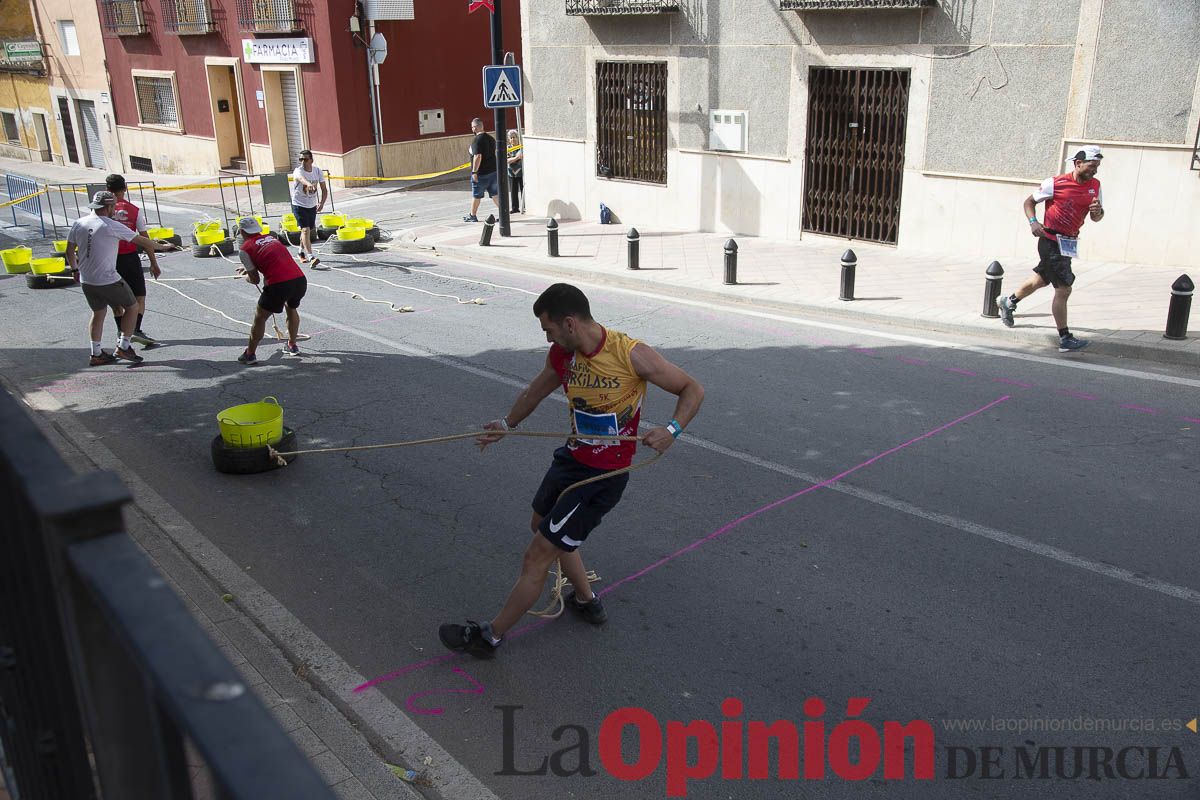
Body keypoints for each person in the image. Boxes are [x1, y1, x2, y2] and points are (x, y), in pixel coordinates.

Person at [439, 283, 705, 658]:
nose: (547, 336)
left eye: (548, 329)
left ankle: (489, 637)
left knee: (538, 553)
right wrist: (506, 423)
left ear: (569, 323)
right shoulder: (562, 355)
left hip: (601, 478)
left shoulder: (631, 354)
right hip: (571, 460)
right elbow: (535, 390)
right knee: (540, 523)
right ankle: (586, 599)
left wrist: (672, 431)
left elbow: (692, 388)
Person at [997, 145, 1106, 352]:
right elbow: (1029, 202)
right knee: (1064, 289)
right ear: (1078, 163)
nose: (1095, 170)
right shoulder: (1055, 183)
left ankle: (1008, 302)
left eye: (1097, 166)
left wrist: (1098, 211)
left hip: (1069, 242)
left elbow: (1096, 218)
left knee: (1041, 279)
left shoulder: (1096, 185)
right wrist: (1033, 222)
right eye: (1092, 166)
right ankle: (1065, 337)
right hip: (1050, 240)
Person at [65, 191, 175, 366]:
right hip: (108, 279)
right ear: (108, 207)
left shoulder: (79, 223)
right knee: (132, 306)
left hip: (87, 280)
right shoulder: (110, 225)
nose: (114, 209)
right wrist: (164, 247)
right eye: (113, 206)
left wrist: (74, 269)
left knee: (98, 313)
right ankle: (123, 346)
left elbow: (69, 251)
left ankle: (96, 353)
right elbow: (142, 241)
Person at [235, 217, 307, 364]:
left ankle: (250, 354)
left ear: (242, 232)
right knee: (291, 308)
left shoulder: (244, 249)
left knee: (260, 317)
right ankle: (292, 345)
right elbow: (273, 258)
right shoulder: (272, 238)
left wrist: (247, 277)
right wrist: (249, 267)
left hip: (278, 285)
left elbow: (254, 279)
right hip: (299, 280)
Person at [106, 173, 162, 347]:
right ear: (125, 189)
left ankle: (120, 330)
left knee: (116, 300)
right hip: (130, 258)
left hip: (109, 258)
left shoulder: (102, 211)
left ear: (108, 189)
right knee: (139, 297)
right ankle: (135, 329)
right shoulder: (134, 211)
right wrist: (154, 262)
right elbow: (144, 239)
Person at [290, 149, 327, 266]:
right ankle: (311, 256)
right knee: (305, 230)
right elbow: (301, 179)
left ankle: (300, 252)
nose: (303, 162)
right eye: (301, 159)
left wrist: (321, 203)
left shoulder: (317, 171)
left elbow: (324, 189)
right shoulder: (297, 171)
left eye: (305, 159)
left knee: (307, 230)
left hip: (311, 205)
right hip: (298, 204)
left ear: (311, 160)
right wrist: (309, 184)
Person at [463, 118, 498, 223]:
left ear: (475, 128)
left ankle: (472, 215)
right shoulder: (491, 139)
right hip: (493, 171)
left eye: (472, 127)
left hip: (481, 174)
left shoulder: (476, 140)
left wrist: (474, 172)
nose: (472, 129)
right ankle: (503, 214)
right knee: (495, 194)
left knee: (476, 195)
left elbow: (478, 156)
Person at [506, 130, 523, 214]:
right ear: (509, 139)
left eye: (514, 137)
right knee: (513, 191)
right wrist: (516, 158)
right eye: (511, 137)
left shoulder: (521, 147)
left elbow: (522, 156)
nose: (513, 139)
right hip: (511, 173)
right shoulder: (508, 149)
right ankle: (515, 208)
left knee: (523, 190)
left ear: (517, 138)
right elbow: (507, 160)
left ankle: (525, 206)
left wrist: (514, 159)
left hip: (522, 173)